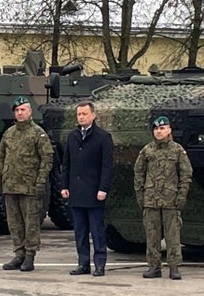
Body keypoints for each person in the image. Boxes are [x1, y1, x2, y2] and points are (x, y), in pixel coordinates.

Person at [0, 95, 53, 272]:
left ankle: (30, 255)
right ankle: (19, 254)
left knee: (30, 223)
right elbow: (0, 157)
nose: (20, 113)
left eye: (23, 110)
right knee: (14, 223)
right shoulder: (9, 133)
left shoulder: (38, 133)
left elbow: (47, 160)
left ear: (30, 111)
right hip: (10, 186)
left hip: (29, 187)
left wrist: (40, 182)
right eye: (17, 110)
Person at [134, 115, 193, 280]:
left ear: (169, 130)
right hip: (151, 199)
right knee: (152, 235)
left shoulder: (177, 150)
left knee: (172, 235)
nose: (159, 132)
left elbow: (186, 174)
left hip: (171, 200)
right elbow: (139, 173)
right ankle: (154, 266)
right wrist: (140, 195)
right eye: (156, 129)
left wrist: (182, 196)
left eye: (162, 128)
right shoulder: (147, 150)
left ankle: (174, 267)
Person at [61, 101, 114, 277]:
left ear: (93, 115)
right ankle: (83, 263)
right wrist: (64, 186)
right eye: (79, 114)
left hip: (94, 193)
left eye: (84, 114)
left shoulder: (102, 137)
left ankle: (100, 264)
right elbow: (66, 163)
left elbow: (107, 166)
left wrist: (103, 189)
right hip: (76, 192)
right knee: (80, 232)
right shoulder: (72, 136)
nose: (81, 117)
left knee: (97, 231)